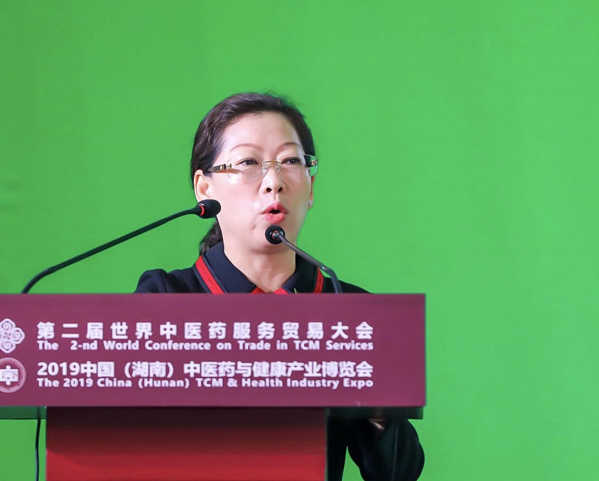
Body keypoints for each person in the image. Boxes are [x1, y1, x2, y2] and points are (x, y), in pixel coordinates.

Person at [136, 92, 424, 481]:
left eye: (290, 161)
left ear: (310, 187)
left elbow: (399, 472)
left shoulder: (350, 312)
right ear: (204, 189)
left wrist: (375, 404)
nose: (274, 182)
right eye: (248, 163)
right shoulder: (165, 301)